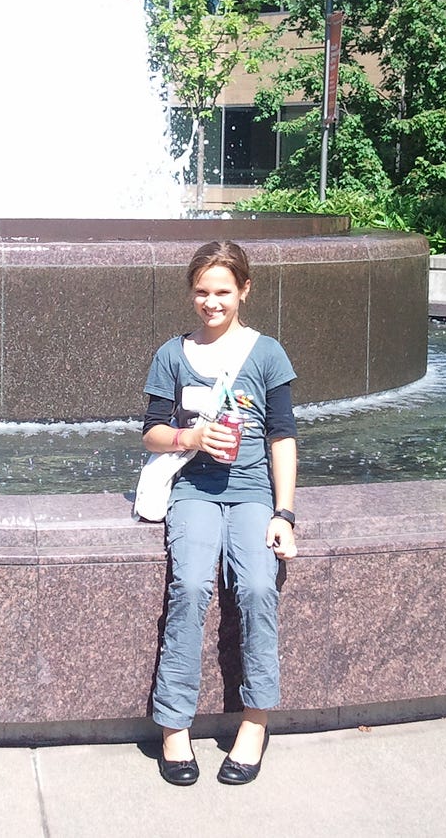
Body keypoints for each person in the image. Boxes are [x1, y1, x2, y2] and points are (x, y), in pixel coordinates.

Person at [141, 239, 298, 787]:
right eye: (203, 292)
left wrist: (284, 513)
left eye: (223, 292)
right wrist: (191, 434)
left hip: (254, 491)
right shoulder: (171, 353)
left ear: (244, 290)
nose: (213, 302)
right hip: (194, 490)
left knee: (257, 587)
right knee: (188, 585)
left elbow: (282, 436)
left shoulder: (266, 353)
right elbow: (152, 432)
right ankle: (173, 725)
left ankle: (255, 722)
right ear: (191, 293)